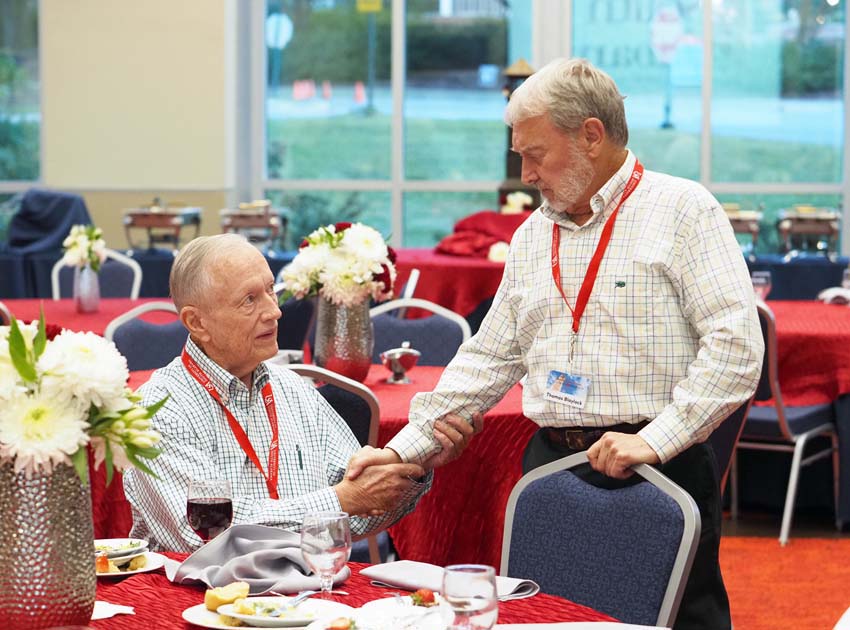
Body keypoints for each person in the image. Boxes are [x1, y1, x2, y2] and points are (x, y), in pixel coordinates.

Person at [348, 58, 764, 629]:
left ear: (591, 135)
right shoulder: (532, 234)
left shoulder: (683, 211)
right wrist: (403, 450)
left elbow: (736, 350)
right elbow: (488, 357)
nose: (525, 174)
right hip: (549, 472)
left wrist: (655, 440)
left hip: (657, 471)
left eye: (534, 153)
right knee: (543, 619)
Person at [124, 233, 471, 552]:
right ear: (197, 323)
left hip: (305, 596)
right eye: (249, 300)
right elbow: (207, 537)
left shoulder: (293, 389)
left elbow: (361, 511)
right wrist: (340, 501)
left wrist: (416, 464)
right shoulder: (156, 410)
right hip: (199, 606)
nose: (274, 311)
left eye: (270, 290)